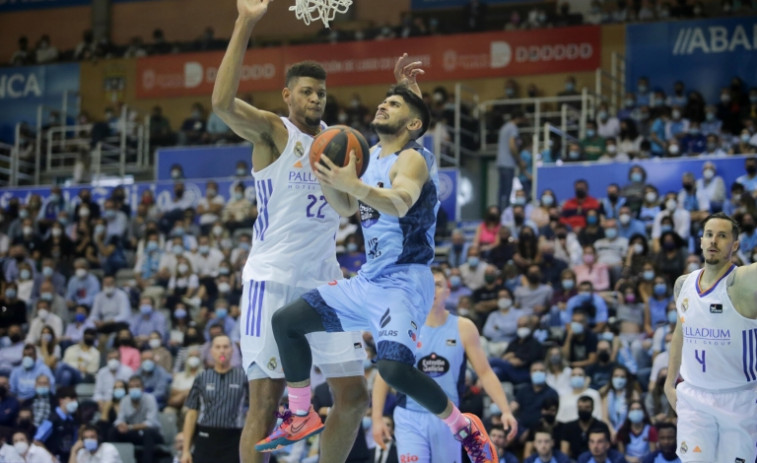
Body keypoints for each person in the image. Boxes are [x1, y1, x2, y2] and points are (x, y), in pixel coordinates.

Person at [256, 77, 497, 463]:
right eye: (383, 102)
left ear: (413, 124)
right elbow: (347, 207)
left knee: (392, 369)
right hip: (369, 279)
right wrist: (331, 179)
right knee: (286, 322)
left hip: (405, 280)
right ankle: (300, 414)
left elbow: (401, 201)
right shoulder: (367, 154)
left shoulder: (413, 159)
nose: (383, 106)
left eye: (394, 105)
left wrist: (355, 184)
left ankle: (464, 427)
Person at [211, 2, 411, 461]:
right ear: (287, 95)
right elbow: (221, 104)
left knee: (354, 396)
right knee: (264, 402)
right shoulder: (272, 132)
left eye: (320, 92)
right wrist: (246, 22)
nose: (316, 99)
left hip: (323, 282)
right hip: (272, 279)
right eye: (306, 92)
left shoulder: (341, 142)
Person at [371, 268, 517, 462]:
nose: (432, 290)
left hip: (449, 416)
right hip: (409, 416)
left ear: (448, 292)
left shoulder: (464, 327)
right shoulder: (404, 325)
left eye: (438, 285)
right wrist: (376, 418)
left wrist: (506, 410)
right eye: (428, 285)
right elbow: (385, 374)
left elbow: (485, 373)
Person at [664, 212, 757, 463]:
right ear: (701, 240)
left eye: (722, 236)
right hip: (694, 398)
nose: (714, 241)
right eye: (709, 234)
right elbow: (680, 332)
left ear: (735, 245)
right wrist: (669, 383)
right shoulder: (683, 284)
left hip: (739, 399)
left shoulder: (743, 282)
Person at [181, 335, 247, 463]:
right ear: (211, 351)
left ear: (232, 351)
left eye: (225, 347)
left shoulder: (243, 377)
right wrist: (185, 450)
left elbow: (252, 412)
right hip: (205, 437)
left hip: (234, 438)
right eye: (218, 347)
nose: (222, 351)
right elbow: (191, 414)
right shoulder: (202, 377)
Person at [107, 376, 164, 463]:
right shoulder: (125, 400)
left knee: (148, 433)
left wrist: (130, 427)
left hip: (152, 434)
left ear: (143, 388)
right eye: (131, 387)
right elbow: (119, 420)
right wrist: (121, 425)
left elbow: (151, 423)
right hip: (134, 433)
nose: (134, 389)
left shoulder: (150, 399)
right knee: (113, 431)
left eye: (137, 386)